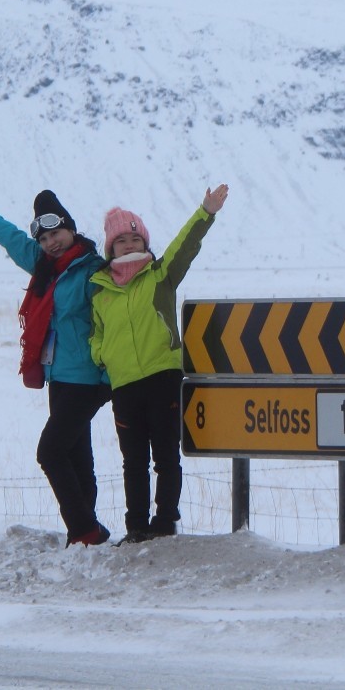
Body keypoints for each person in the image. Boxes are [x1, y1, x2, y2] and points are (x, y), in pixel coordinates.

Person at [0, 181, 112, 547]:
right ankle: (89, 531)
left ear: (71, 229)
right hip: (60, 378)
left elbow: (110, 325)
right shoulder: (45, 269)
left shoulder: (93, 271)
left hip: (87, 379)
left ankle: (85, 531)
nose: (52, 242)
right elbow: (6, 235)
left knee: (50, 452)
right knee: (76, 454)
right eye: (44, 238)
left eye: (57, 233)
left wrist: (107, 379)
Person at [87, 183, 229, 542]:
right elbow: (96, 335)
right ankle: (136, 526)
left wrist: (206, 212)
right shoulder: (102, 292)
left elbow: (185, 246)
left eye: (135, 239)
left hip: (163, 377)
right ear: (110, 248)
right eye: (121, 241)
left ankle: (165, 523)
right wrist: (101, 354)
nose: (129, 245)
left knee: (165, 457)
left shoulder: (161, 275)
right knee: (132, 463)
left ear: (145, 242)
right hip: (124, 386)